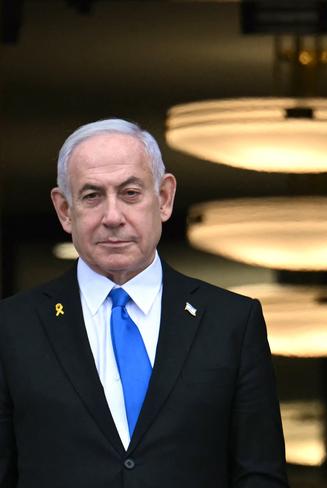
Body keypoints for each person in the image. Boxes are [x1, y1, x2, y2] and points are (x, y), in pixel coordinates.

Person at [0, 119, 288, 487]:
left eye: (131, 193)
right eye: (91, 196)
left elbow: (260, 475)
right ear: (64, 210)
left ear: (164, 198)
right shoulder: (12, 327)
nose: (113, 217)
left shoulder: (231, 322)